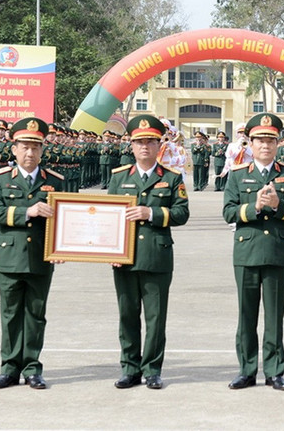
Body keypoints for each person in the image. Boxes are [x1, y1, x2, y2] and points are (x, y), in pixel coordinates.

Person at [223, 112, 284, 391]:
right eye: (260, 140)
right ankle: (246, 370)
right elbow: (228, 212)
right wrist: (255, 207)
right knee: (246, 315)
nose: (265, 146)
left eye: (271, 140)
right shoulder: (237, 175)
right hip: (247, 252)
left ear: (279, 143)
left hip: (277, 251)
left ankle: (274, 370)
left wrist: (278, 204)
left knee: (274, 315)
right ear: (250, 142)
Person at [108, 114, 190, 390]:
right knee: (127, 316)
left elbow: (181, 213)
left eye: (150, 142)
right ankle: (129, 368)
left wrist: (151, 212)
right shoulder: (119, 178)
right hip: (125, 256)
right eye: (139, 142)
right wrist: (109, 250)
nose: (145, 147)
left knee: (156, 318)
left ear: (159, 146)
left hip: (156, 256)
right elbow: (109, 218)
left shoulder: (171, 177)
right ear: (131, 146)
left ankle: (152, 369)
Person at [0, 118, 64, 390]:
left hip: (42, 256)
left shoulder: (56, 181)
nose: (30, 153)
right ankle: (8, 368)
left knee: (35, 314)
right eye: (25, 147)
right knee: (9, 314)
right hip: (9, 257)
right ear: (14, 149)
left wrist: (63, 245)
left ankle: (32, 367)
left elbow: (67, 218)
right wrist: (26, 212)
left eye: (35, 148)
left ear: (43, 150)